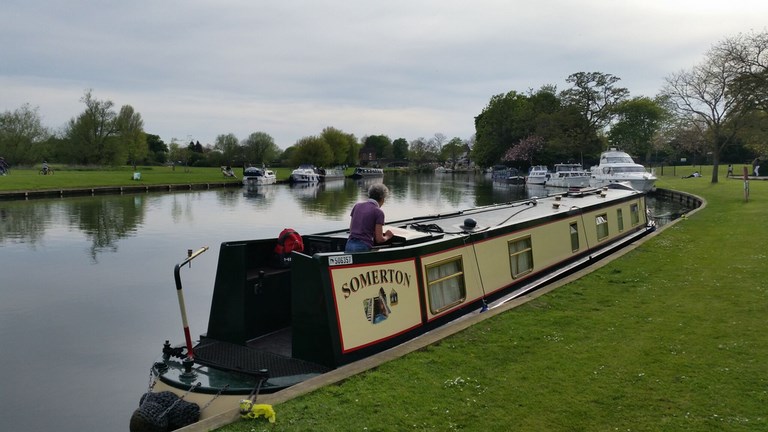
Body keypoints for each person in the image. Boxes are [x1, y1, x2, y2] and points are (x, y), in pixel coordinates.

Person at [345, 183, 394, 253]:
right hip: (362, 247)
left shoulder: (357, 206)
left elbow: (351, 230)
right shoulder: (378, 212)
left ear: (370, 195)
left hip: (349, 245)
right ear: (382, 199)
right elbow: (379, 239)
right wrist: (388, 236)